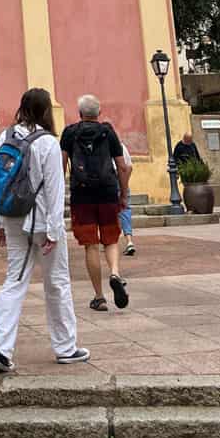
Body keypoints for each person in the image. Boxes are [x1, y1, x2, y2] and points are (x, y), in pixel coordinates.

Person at [0, 88, 89, 373]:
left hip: (13, 218)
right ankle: (66, 346)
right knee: (56, 282)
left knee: (14, 280)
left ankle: (0, 347)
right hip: (43, 223)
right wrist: (55, 232)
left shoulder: (4, 138)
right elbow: (55, 191)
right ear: (46, 111)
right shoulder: (47, 143)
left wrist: (1, 221)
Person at [61, 95, 132, 312]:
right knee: (110, 239)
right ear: (99, 113)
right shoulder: (108, 132)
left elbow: (61, 166)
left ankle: (99, 297)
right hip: (108, 192)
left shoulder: (70, 133)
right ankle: (115, 273)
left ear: (80, 113)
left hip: (82, 196)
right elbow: (123, 167)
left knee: (90, 244)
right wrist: (123, 192)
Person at [118, 141, 136, 256]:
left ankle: (110, 242)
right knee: (125, 210)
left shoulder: (102, 145)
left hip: (108, 182)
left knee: (109, 212)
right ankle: (129, 241)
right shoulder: (121, 146)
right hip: (122, 179)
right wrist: (124, 185)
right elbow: (129, 167)